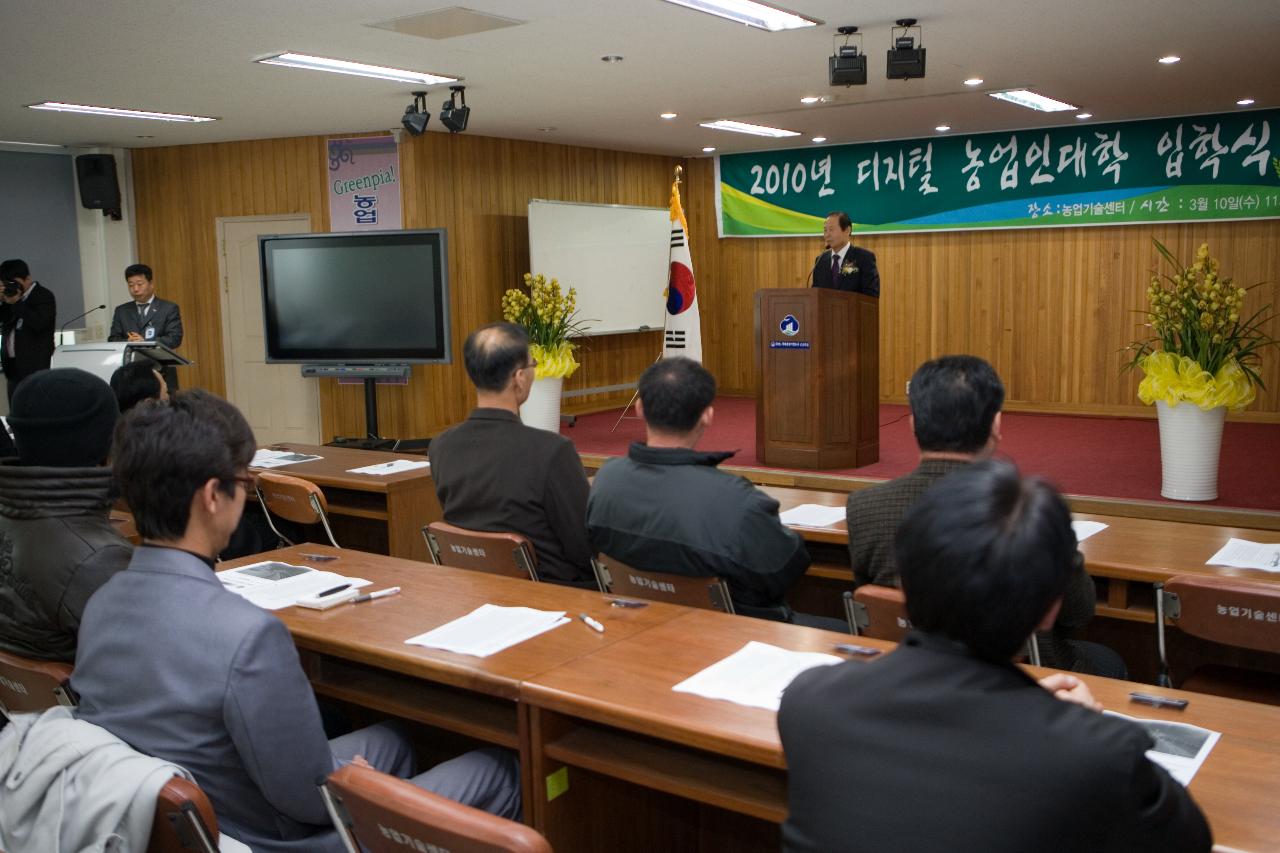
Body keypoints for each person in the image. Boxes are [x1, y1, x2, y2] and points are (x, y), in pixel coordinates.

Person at [72, 390, 520, 853]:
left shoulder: (102, 603)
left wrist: (341, 774)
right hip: (269, 839)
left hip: (184, 820)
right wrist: (346, 781)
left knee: (395, 739)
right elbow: (308, 800)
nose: (245, 492)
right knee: (504, 771)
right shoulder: (247, 636)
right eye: (244, 480)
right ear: (212, 496)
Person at [780, 461, 1212, 853]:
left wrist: (1032, 710)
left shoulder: (809, 701)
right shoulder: (1098, 755)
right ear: (1051, 608)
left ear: (905, 586)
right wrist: (1069, 724)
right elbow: (1190, 839)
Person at [845, 355, 1120, 676]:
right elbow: (1078, 613)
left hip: (908, 667)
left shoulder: (864, 506)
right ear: (996, 425)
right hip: (1022, 675)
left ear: (912, 425)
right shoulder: (1033, 512)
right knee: (1110, 661)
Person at [587, 357, 811, 622]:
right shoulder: (736, 500)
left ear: (639, 409)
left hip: (636, 627)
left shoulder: (606, 480)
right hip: (734, 637)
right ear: (708, 415)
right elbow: (786, 568)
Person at [430, 322, 594, 586]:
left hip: (477, 590)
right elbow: (586, 549)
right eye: (533, 364)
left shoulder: (440, 446)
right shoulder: (552, 451)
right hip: (555, 599)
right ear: (519, 378)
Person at [0, 369, 130, 662]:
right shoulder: (98, 558)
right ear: (104, 445)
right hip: (91, 705)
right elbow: (152, 662)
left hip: (23, 706)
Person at [108, 263, 184, 390]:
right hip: (131, 375)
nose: (135, 289)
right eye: (131, 285)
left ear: (151, 284)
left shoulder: (168, 308)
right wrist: (128, 341)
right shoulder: (122, 311)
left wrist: (145, 342)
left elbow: (175, 338)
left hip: (161, 372)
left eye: (139, 284)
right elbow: (112, 339)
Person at [0, 259, 56, 402]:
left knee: (35, 411)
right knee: (16, 412)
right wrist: (3, 301)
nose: (13, 287)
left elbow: (39, 323)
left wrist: (17, 302)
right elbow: (5, 321)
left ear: (28, 278)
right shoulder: (9, 298)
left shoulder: (43, 295)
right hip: (12, 369)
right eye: (8, 283)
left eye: (15, 282)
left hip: (35, 368)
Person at [810, 211, 879, 296]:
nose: (827, 235)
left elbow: (871, 296)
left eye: (831, 230)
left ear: (847, 230)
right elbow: (815, 295)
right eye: (825, 230)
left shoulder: (864, 258)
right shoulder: (820, 260)